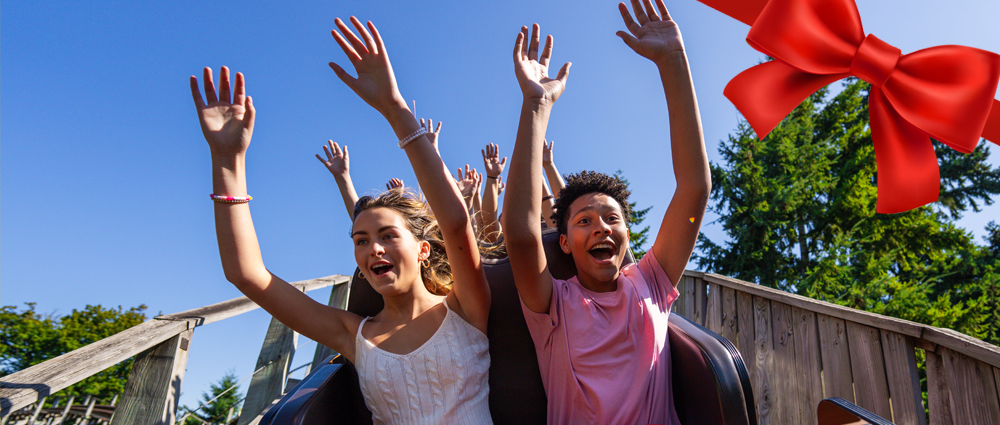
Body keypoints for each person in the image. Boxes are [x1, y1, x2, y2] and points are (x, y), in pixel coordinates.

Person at [191, 17, 492, 425]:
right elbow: (247, 275)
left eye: (387, 235)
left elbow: (455, 223)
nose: (373, 249)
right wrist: (228, 161)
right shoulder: (353, 336)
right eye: (361, 240)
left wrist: (394, 108)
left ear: (423, 249)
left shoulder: (465, 308)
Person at [501, 0, 710, 423]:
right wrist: (537, 106)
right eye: (584, 221)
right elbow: (521, 234)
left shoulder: (650, 282)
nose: (601, 228)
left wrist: (673, 61)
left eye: (612, 219)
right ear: (563, 242)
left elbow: (694, 187)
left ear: (628, 235)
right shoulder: (553, 304)